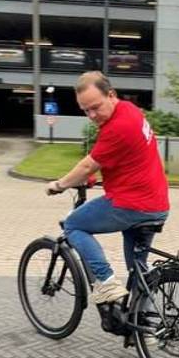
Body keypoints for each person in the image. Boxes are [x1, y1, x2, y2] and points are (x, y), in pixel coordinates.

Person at [46, 71, 169, 305]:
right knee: (138, 271)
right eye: (85, 110)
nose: (92, 115)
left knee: (73, 224)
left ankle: (106, 282)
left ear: (110, 94)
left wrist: (60, 185)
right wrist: (91, 179)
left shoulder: (117, 127)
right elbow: (118, 157)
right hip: (156, 203)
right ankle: (145, 330)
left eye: (95, 107)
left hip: (132, 204)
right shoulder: (128, 110)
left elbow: (87, 165)